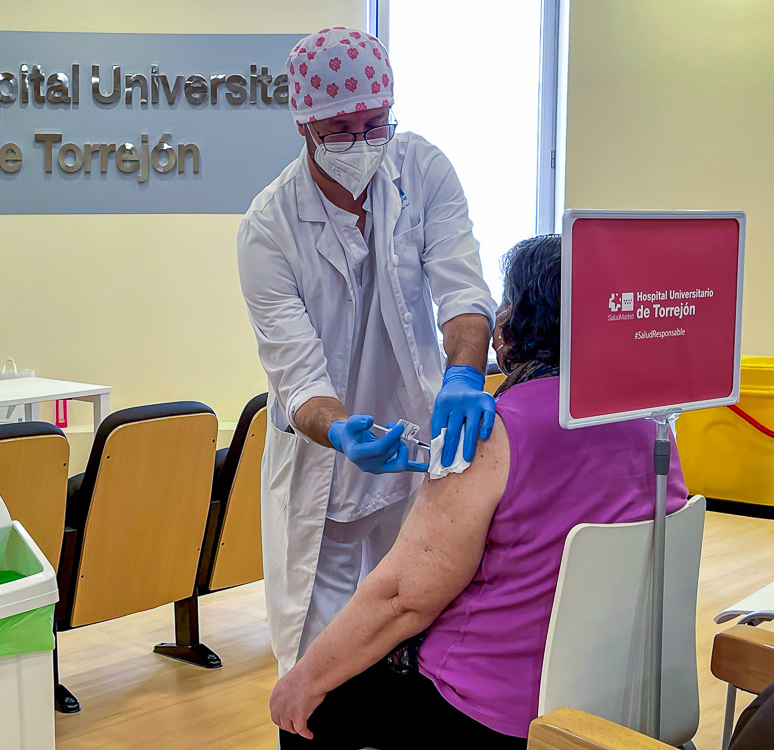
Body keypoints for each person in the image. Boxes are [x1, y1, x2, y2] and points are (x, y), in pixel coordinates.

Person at [269, 234, 690, 748]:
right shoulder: (653, 425)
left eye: (505, 301)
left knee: (305, 715)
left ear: (519, 321)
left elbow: (403, 599)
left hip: (491, 713)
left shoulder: (488, 433)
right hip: (618, 695)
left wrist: (303, 680)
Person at [238, 27, 497, 677]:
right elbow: (297, 374)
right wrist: (339, 431)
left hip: (418, 447)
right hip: (324, 467)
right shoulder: (268, 229)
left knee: (418, 639)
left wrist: (465, 375)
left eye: (375, 123)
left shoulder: (423, 170)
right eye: (340, 130)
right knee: (318, 658)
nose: (362, 143)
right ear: (304, 125)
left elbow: (463, 290)